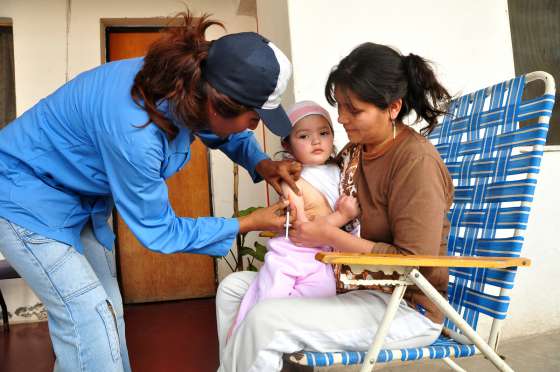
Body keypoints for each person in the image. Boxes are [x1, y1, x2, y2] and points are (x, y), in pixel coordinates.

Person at [0, 12, 301, 372]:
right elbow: (159, 231)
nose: (254, 129)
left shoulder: (188, 87)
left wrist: (262, 164)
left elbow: (223, 129)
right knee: (88, 317)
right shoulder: (135, 129)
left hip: (76, 199)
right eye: (254, 120)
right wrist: (247, 223)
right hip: (23, 194)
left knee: (108, 307)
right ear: (219, 102)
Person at [216, 42, 454, 372]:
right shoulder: (356, 153)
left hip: (403, 305)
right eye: (340, 107)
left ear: (393, 107)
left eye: (353, 110)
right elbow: (317, 185)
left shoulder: (415, 161)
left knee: (266, 320)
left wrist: (325, 232)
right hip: (347, 283)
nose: (341, 119)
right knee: (232, 290)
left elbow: (414, 264)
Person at [223, 101, 360, 342]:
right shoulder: (292, 180)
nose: (316, 141)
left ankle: (287, 342)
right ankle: (249, 338)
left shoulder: (340, 170)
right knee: (270, 299)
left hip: (324, 255)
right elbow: (303, 230)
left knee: (320, 299)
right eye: (304, 136)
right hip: (294, 254)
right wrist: (343, 216)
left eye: (324, 133)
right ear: (287, 144)